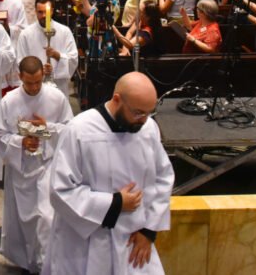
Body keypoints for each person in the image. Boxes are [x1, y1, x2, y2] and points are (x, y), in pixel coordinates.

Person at [46, 72, 173, 275]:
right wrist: (114, 203)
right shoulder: (80, 130)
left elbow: (163, 177)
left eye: (149, 113)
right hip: (87, 243)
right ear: (117, 100)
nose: (144, 120)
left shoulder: (147, 129)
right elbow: (60, 190)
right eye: (139, 113)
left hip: (134, 239)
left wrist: (149, 230)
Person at [0, 57, 73, 273]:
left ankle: (46, 265)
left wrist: (45, 129)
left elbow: (71, 130)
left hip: (48, 164)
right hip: (21, 169)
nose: (34, 87)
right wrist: (22, 142)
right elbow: (0, 135)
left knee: (46, 217)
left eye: (38, 82)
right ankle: (29, 263)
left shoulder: (56, 97)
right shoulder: (9, 101)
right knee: (26, 220)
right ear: (20, 77)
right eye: (29, 83)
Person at [14, 0, 78, 98]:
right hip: (33, 87)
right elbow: (20, 62)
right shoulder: (26, 34)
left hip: (59, 87)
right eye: (40, 12)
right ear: (35, 11)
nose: (44, 15)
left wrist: (57, 56)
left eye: (46, 12)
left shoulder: (64, 31)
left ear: (52, 11)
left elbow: (74, 59)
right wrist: (39, 71)